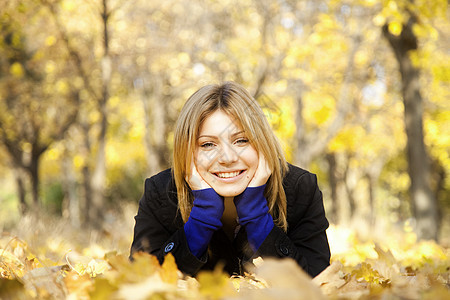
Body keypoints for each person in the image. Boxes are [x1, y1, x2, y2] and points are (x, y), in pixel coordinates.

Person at [130, 81, 330, 278]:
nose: (227, 158)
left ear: (262, 142)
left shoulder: (300, 187)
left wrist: (256, 215)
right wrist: (202, 218)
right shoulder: (160, 192)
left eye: (241, 140)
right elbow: (141, 282)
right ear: (187, 151)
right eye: (208, 144)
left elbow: (318, 283)